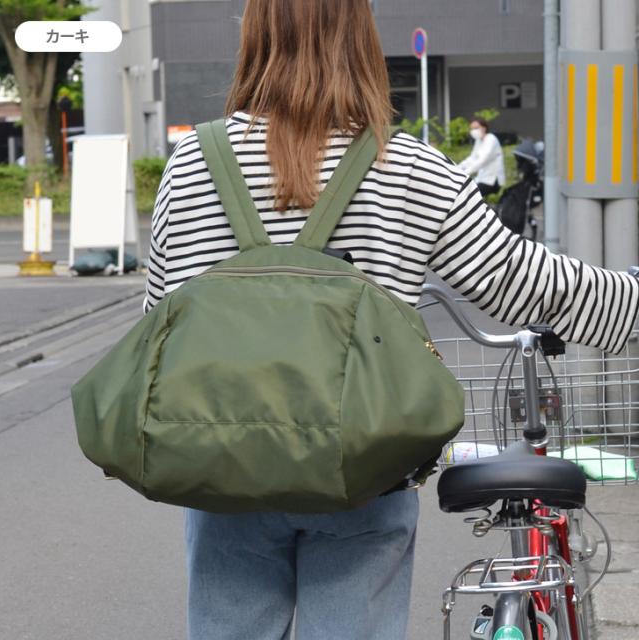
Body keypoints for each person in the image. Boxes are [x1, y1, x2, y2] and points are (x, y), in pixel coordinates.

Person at [142, 1, 639, 638]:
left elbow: (159, 325)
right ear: (361, 38)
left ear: (256, 34)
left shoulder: (192, 163)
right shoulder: (406, 166)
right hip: (363, 466)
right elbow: (523, 284)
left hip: (225, 467)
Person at [458, 117, 506, 197]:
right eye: (472, 129)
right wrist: (458, 167)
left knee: (468, 195)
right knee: (463, 190)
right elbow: (472, 158)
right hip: (482, 178)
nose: (473, 131)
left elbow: (482, 161)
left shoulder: (491, 139)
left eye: (476, 128)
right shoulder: (479, 140)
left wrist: (466, 172)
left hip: (493, 180)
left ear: (484, 128)